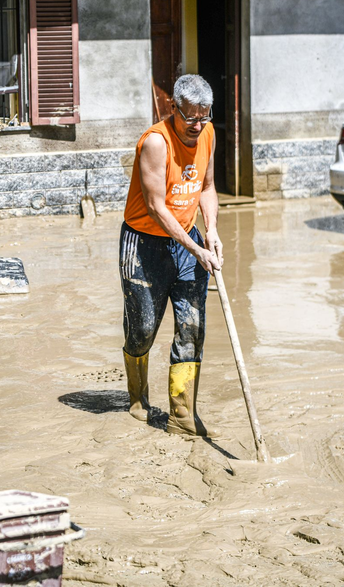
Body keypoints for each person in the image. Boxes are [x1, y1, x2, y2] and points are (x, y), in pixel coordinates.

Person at [119, 74, 223, 438]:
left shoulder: (208, 134)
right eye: (190, 117)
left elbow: (207, 188)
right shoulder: (155, 143)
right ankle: (137, 398)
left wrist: (209, 231)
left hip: (188, 241)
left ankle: (181, 416)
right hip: (144, 243)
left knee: (192, 328)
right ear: (173, 108)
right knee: (143, 329)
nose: (197, 125)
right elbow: (156, 208)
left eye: (204, 116)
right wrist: (195, 248)